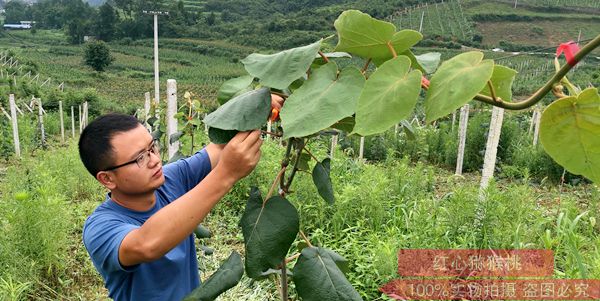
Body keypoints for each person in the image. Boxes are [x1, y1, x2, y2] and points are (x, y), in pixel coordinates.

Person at [79, 97, 281, 300]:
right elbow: (146, 244)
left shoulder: (171, 178)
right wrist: (226, 174)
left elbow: (221, 147)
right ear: (107, 178)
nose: (156, 160)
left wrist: (256, 104)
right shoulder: (100, 227)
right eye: (141, 158)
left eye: (152, 148)